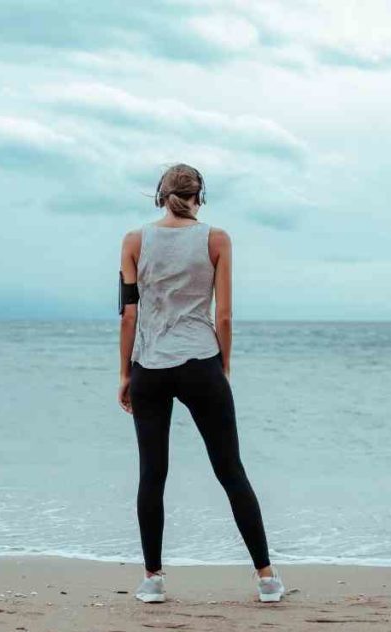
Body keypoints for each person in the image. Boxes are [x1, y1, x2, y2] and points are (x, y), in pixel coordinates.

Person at [117, 162, 285, 604]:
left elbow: (129, 313)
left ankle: (152, 580)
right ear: (199, 196)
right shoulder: (216, 239)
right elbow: (224, 314)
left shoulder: (134, 240)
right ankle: (267, 580)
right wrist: (222, 367)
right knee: (230, 470)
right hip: (201, 363)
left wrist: (124, 372)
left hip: (149, 367)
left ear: (160, 194)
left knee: (152, 474)